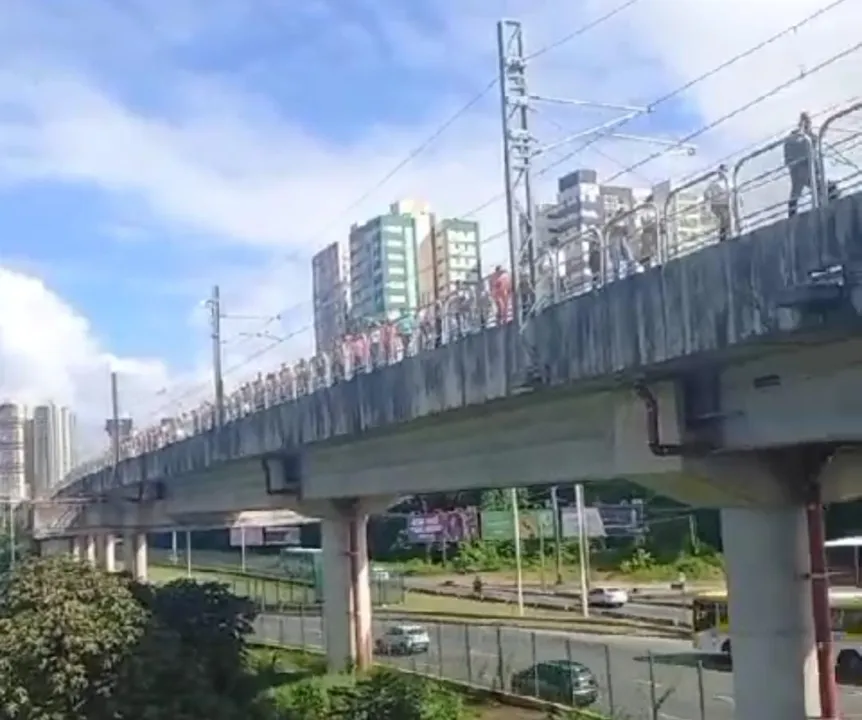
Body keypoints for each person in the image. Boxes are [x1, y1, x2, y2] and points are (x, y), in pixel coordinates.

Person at [784, 112, 820, 218]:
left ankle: (826, 203)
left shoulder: (811, 136)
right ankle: (792, 216)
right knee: (795, 195)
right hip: (799, 168)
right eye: (805, 121)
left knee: (825, 187)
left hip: (809, 168)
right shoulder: (793, 136)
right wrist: (802, 131)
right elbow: (791, 147)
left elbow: (815, 145)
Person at [704, 167, 732, 242]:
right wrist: (709, 203)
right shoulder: (714, 183)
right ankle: (723, 237)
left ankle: (727, 235)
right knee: (724, 218)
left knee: (728, 220)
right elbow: (706, 193)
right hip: (718, 204)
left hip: (727, 203)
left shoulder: (729, 182)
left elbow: (733, 191)